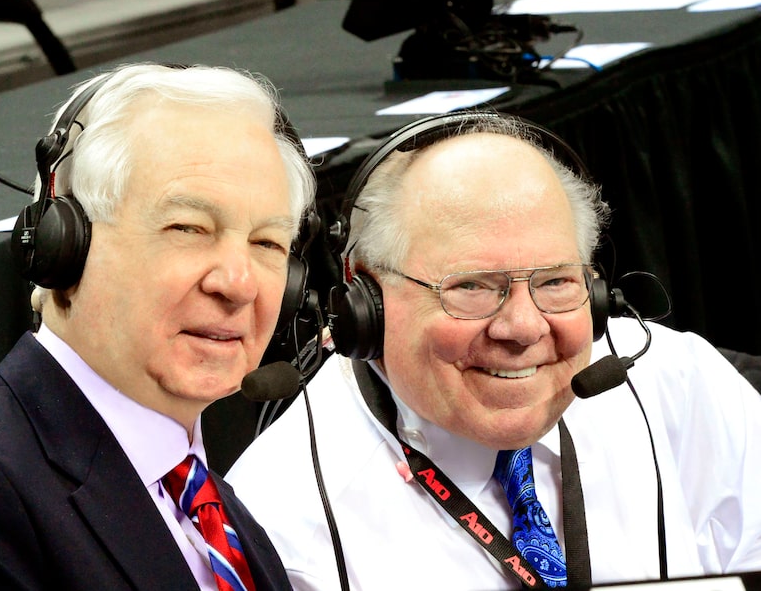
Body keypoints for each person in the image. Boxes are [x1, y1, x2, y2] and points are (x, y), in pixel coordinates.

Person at [226, 111, 761, 589]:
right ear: (367, 301)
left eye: (555, 282)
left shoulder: (677, 387)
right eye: (472, 287)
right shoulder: (281, 523)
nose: (524, 327)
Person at [0, 62, 315, 590]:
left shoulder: (227, 516)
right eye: (188, 228)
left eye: (268, 243)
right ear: (62, 245)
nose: (239, 283)